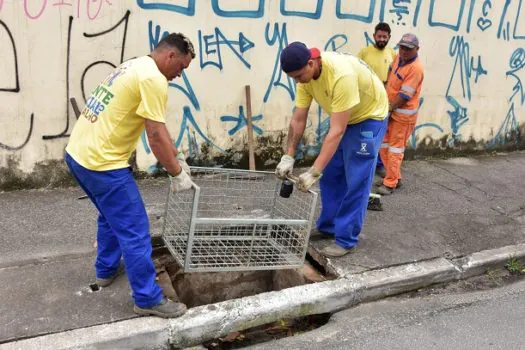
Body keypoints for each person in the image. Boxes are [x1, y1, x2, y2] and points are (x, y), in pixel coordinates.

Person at [65, 33, 195, 318]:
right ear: (170, 56)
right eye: (182, 68)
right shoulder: (154, 79)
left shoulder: (135, 66)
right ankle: (147, 299)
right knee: (135, 230)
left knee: (110, 216)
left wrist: (178, 156)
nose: (180, 75)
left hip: (78, 155)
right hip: (102, 164)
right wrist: (176, 173)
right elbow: (155, 136)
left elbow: (158, 127)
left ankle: (106, 270)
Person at [275, 42, 388, 257]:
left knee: (356, 178)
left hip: (369, 116)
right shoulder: (304, 78)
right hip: (346, 115)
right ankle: (328, 227)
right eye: (293, 78)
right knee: (331, 175)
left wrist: (313, 172)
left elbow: (337, 131)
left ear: (311, 63)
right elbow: (298, 119)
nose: (297, 81)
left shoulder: (340, 75)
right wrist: (288, 156)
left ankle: (346, 240)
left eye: (299, 76)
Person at [376, 33, 424, 195]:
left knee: (395, 149)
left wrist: (388, 109)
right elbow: (390, 75)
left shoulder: (415, 68)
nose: (403, 51)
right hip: (390, 110)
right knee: (383, 145)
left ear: (417, 49)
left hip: (403, 116)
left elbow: (404, 96)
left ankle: (390, 183)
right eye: (402, 47)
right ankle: (394, 177)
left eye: (408, 49)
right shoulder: (398, 58)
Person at [357, 22, 396, 178]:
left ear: (389, 38)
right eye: (379, 36)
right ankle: (363, 162)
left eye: (384, 37)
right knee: (365, 132)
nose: (381, 39)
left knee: (381, 133)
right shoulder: (364, 53)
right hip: (367, 100)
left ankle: (380, 164)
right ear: (374, 36)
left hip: (384, 101)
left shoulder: (392, 54)